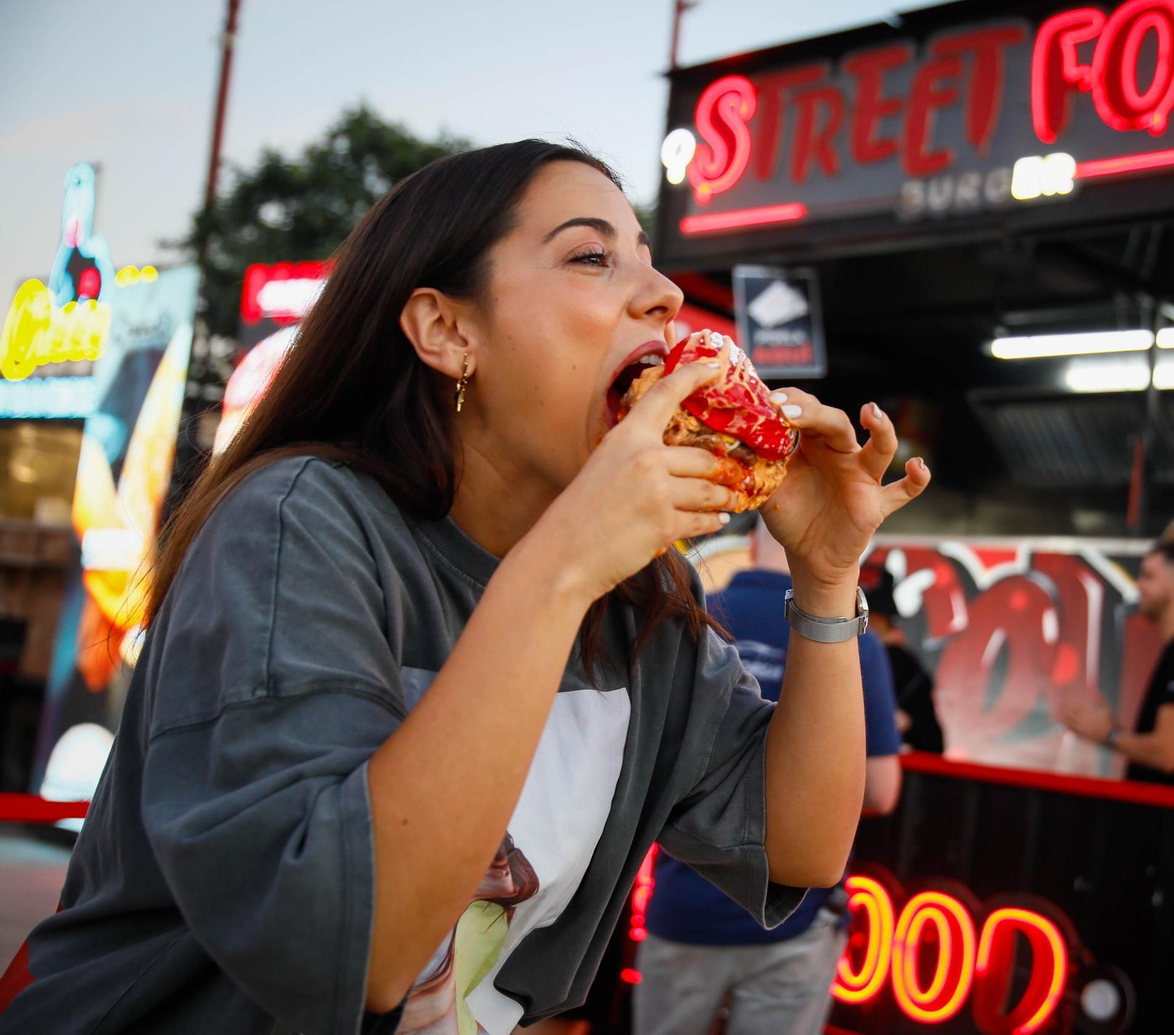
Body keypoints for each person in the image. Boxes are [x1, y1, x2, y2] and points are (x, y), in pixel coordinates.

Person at [0, 140, 930, 1035]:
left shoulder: (642, 592)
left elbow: (800, 843)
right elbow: (356, 945)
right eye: (592, 256)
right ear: (448, 331)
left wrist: (826, 576)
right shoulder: (299, 520)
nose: (665, 294)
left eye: (648, 258)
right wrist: (564, 564)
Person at [635, 518, 901, 1035]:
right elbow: (881, 791)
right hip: (794, 918)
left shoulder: (688, 618)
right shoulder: (851, 639)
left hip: (683, 908)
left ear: (754, 540)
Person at [1059, 542, 1174, 792]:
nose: (1138, 586)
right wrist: (1114, 731)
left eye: (1148, 576)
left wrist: (1108, 734)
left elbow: (1168, 754)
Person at [863, 568, 943, 754]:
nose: (862, 624)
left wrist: (908, 722)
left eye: (869, 617)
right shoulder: (826, 657)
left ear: (886, 620)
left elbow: (934, 743)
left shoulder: (906, 667)